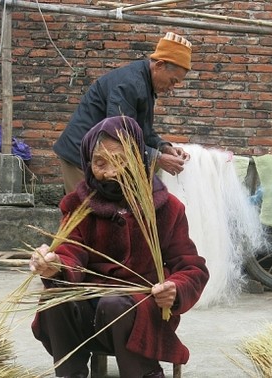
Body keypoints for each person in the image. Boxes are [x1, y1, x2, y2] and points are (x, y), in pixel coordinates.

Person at [30, 115, 209, 378]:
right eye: (101, 163)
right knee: (53, 299)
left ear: (139, 159)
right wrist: (55, 265)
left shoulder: (168, 208)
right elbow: (71, 252)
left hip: (145, 311)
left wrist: (175, 289)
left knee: (115, 304)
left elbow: (191, 267)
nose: (111, 173)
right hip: (89, 317)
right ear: (88, 164)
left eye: (121, 161)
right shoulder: (79, 206)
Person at [54, 32, 194, 193]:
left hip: (100, 156)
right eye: (173, 81)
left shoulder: (145, 84)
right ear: (159, 65)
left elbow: (142, 132)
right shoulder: (129, 85)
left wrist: (164, 147)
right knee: (87, 214)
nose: (171, 88)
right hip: (80, 157)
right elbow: (119, 136)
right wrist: (158, 158)